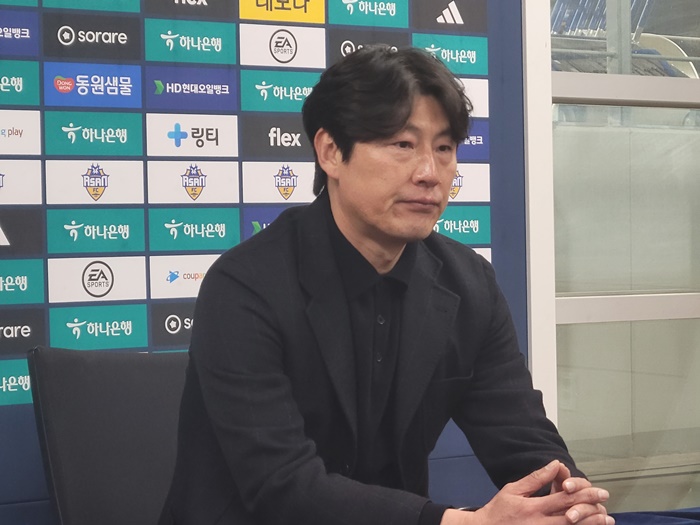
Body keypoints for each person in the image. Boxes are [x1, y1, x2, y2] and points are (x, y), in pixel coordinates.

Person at [159, 45, 613, 525]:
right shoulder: (245, 287)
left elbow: (521, 434)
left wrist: (569, 503)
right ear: (331, 152)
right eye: (402, 145)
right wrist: (461, 523)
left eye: (444, 148)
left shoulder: (468, 284)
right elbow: (283, 485)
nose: (429, 173)